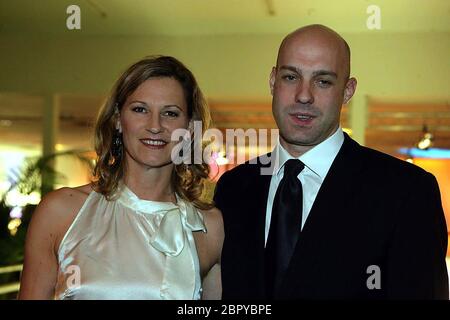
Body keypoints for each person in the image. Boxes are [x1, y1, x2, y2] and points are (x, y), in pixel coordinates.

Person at [214, 24, 448, 299]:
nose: (304, 95)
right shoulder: (233, 188)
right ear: (272, 82)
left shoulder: (406, 191)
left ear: (347, 91)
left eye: (323, 81)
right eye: (291, 77)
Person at [19, 56, 223, 300]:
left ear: (189, 127)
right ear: (117, 118)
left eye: (170, 113)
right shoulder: (61, 212)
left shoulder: (209, 226)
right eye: (140, 109)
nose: (155, 126)